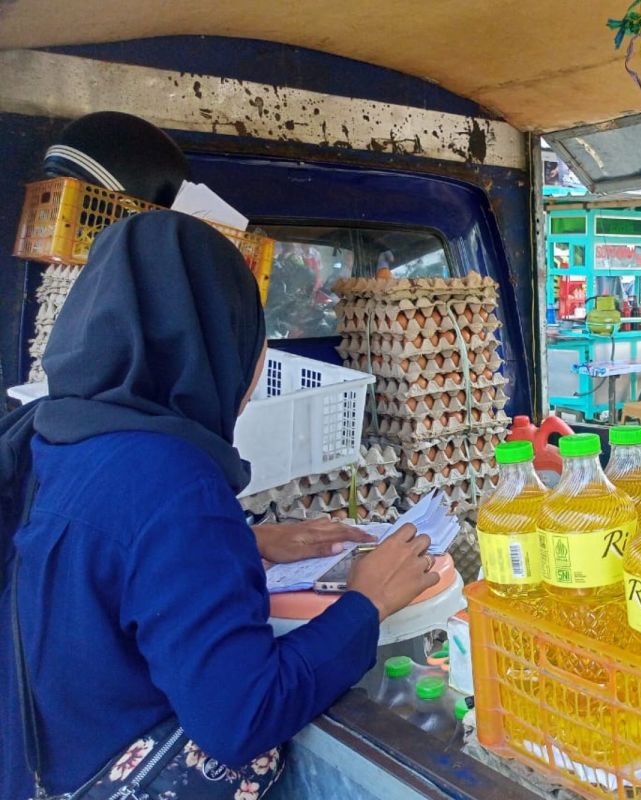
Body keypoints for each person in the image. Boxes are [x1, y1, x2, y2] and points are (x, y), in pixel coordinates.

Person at [0, 212, 437, 798]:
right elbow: (242, 717)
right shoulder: (172, 480)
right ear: (222, 340)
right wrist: (368, 601)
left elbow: (86, 559)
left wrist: (246, 542)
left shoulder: (43, 431)